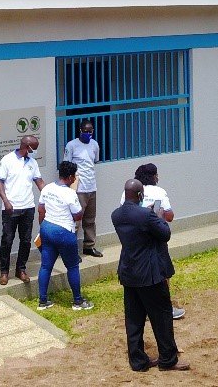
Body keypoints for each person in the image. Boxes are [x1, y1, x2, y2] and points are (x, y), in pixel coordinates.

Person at [112, 179, 188, 373]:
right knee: (162, 316)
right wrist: (159, 217)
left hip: (129, 273)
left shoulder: (116, 215)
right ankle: (168, 359)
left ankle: (138, 361)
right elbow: (165, 234)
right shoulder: (146, 215)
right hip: (149, 274)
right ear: (140, 195)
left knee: (134, 319)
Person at [119, 164, 184, 320]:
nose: (158, 178)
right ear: (153, 177)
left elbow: (123, 213)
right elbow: (169, 216)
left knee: (136, 271)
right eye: (157, 175)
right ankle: (165, 307)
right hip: (155, 236)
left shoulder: (127, 192)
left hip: (133, 239)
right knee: (162, 272)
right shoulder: (159, 192)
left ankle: (142, 309)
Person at [37, 160, 92, 311]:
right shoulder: (70, 193)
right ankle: (78, 301)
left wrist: (41, 228)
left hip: (47, 228)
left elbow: (41, 210)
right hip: (63, 232)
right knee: (72, 266)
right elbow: (78, 216)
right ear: (69, 177)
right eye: (74, 176)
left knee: (46, 266)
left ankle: (42, 301)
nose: (75, 179)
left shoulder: (47, 188)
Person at [0, 135, 43, 285]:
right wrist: (5, 201)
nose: (35, 150)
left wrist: (49, 195)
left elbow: (39, 182)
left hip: (28, 207)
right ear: (26, 146)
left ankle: (21, 269)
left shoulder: (32, 162)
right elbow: (0, 182)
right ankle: (4, 272)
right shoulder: (7, 160)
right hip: (11, 208)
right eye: (34, 147)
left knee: (26, 240)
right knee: (7, 240)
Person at [64, 120, 103, 257]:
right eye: (85, 131)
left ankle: (89, 246)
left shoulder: (94, 145)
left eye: (90, 131)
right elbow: (66, 165)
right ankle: (71, 250)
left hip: (91, 187)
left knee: (90, 219)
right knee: (76, 221)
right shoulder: (72, 145)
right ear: (80, 131)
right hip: (78, 188)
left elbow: (94, 162)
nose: (88, 133)